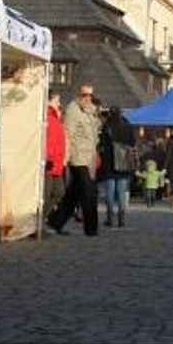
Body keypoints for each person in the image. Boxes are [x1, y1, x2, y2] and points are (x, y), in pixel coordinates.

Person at [48, 84, 102, 236]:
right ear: (78, 94)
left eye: (90, 95)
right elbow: (68, 134)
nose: (88, 98)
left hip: (88, 157)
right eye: (84, 95)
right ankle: (91, 228)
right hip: (78, 158)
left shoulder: (91, 111)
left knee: (74, 193)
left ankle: (56, 221)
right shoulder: (73, 110)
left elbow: (94, 136)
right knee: (89, 193)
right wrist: (65, 158)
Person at [102, 106, 135, 227]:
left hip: (109, 162)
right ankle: (121, 219)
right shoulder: (127, 126)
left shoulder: (107, 126)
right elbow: (132, 142)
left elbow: (101, 143)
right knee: (121, 192)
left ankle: (110, 218)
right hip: (123, 161)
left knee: (110, 192)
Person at [42, 90, 67, 235]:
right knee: (45, 194)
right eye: (56, 101)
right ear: (49, 101)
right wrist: (47, 157)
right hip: (49, 161)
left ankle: (42, 219)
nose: (59, 103)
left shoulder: (56, 117)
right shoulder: (46, 116)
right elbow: (47, 139)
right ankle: (37, 222)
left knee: (59, 192)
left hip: (57, 162)